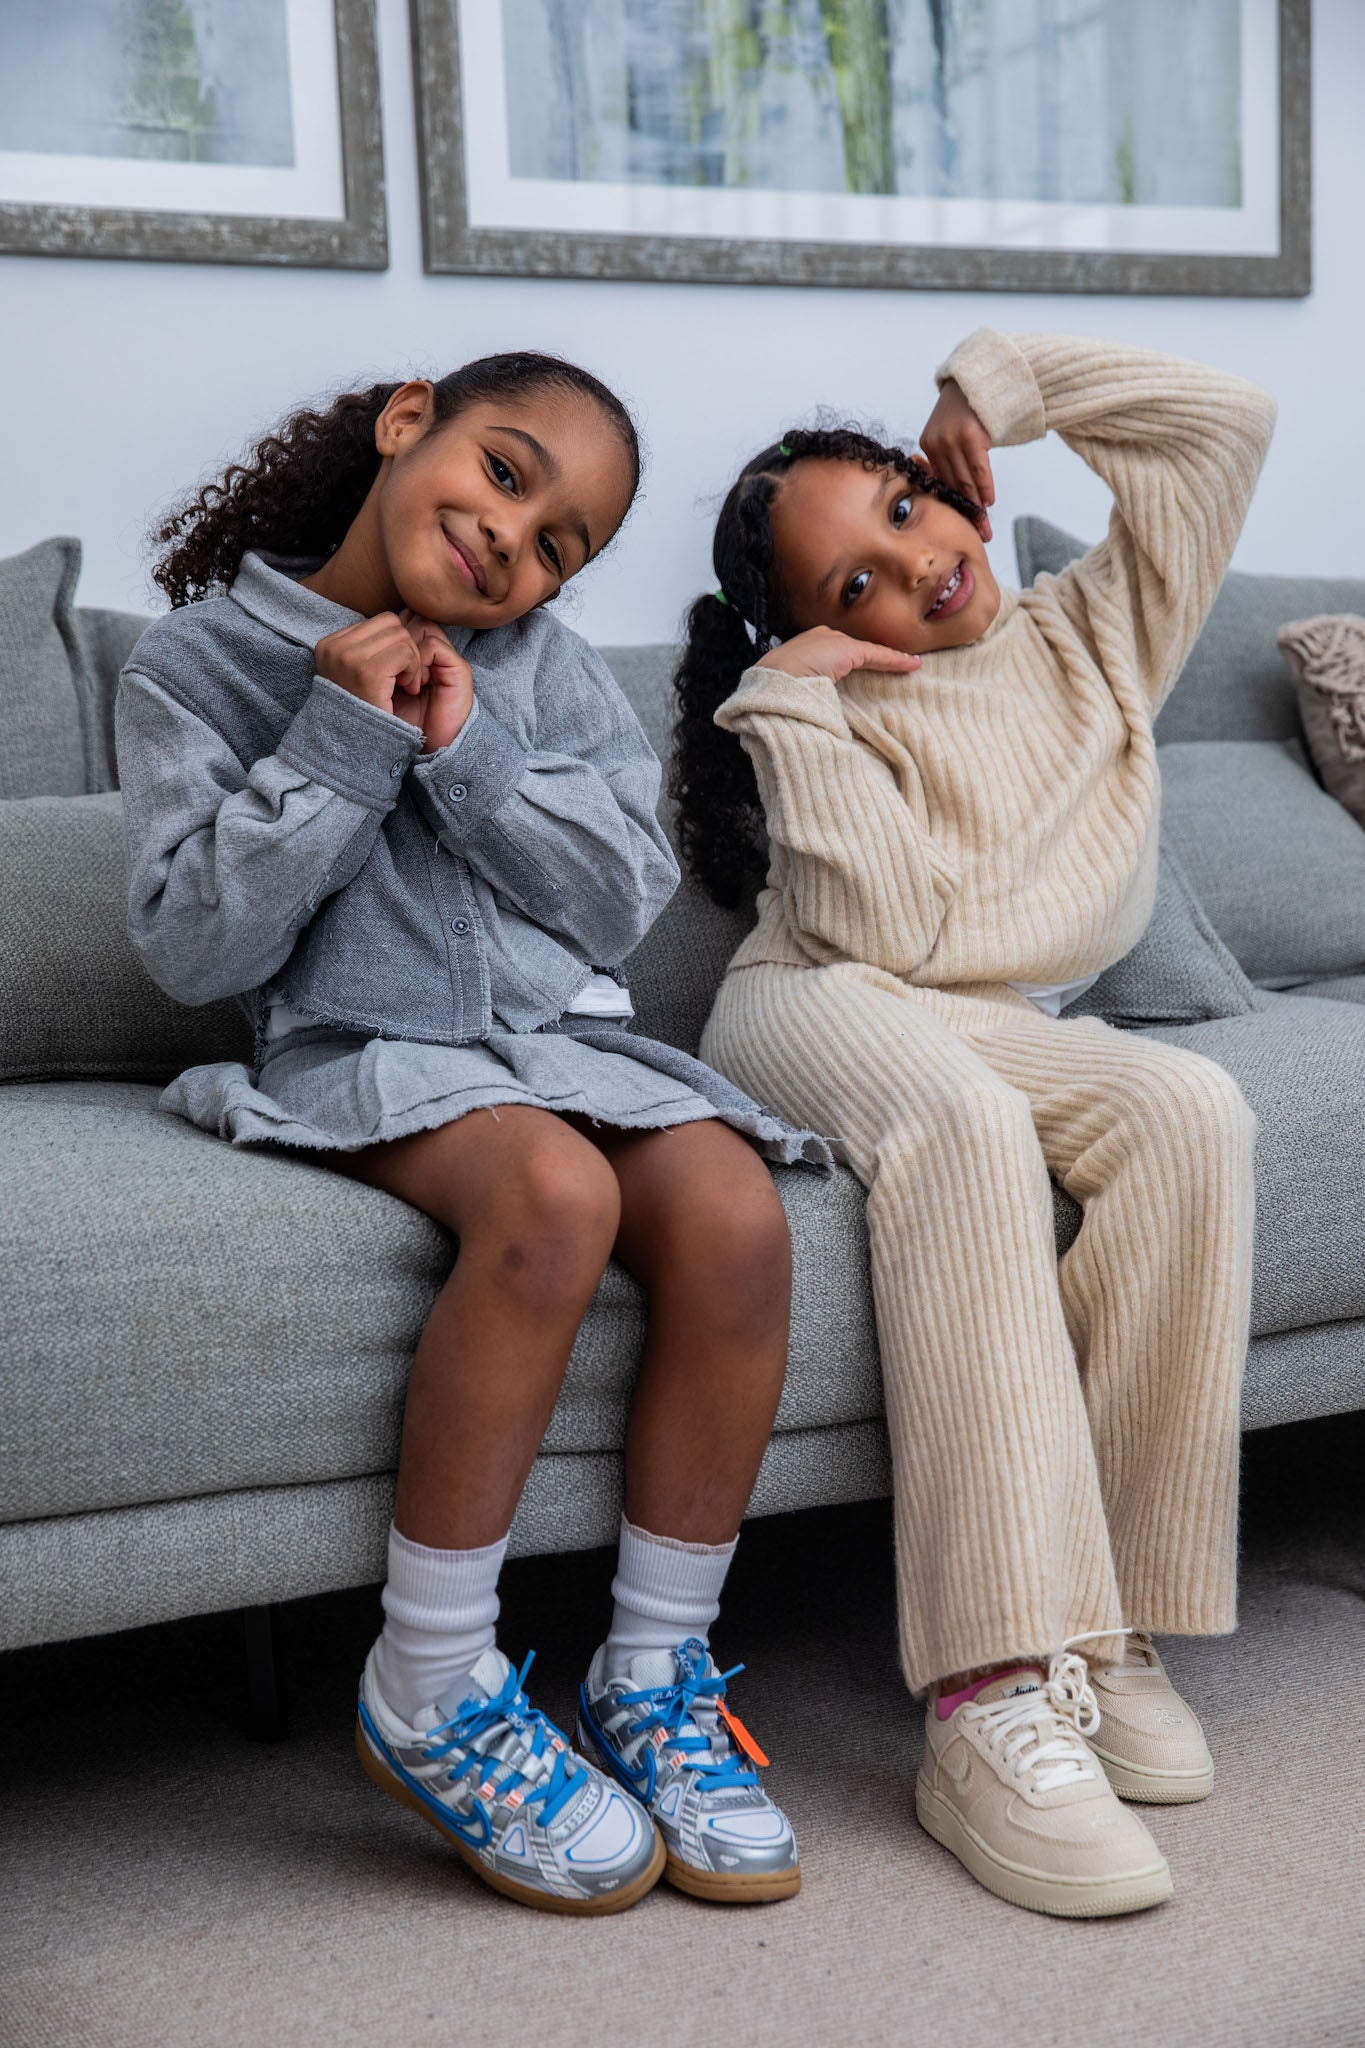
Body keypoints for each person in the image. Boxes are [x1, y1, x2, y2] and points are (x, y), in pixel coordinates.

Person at [116, 352, 827, 1915]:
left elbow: (618, 897)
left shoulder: (545, 669)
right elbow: (191, 950)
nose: (517, 541)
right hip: (359, 1052)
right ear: (405, 421)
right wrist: (342, 742)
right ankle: (429, 1682)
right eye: (506, 474)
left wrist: (466, 746)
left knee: (732, 1215)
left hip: (554, 1038)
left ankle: (651, 1670)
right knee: (552, 1198)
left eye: (561, 539)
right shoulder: (196, 662)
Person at [671, 329, 1276, 1918]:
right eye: (852, 582)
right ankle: (986, 1695)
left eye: (902, 507)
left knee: (1191, 1108)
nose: (910, 566)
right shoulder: (826, 709)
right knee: (959, 1125)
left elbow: (1223, 419)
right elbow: (891, 926)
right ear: (822, 630)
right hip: (820, 995)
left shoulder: (1102, 630)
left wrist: (991, 386)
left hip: (983, 1013)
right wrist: (785, 704)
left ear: (950, 491)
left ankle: (1106, 1625)